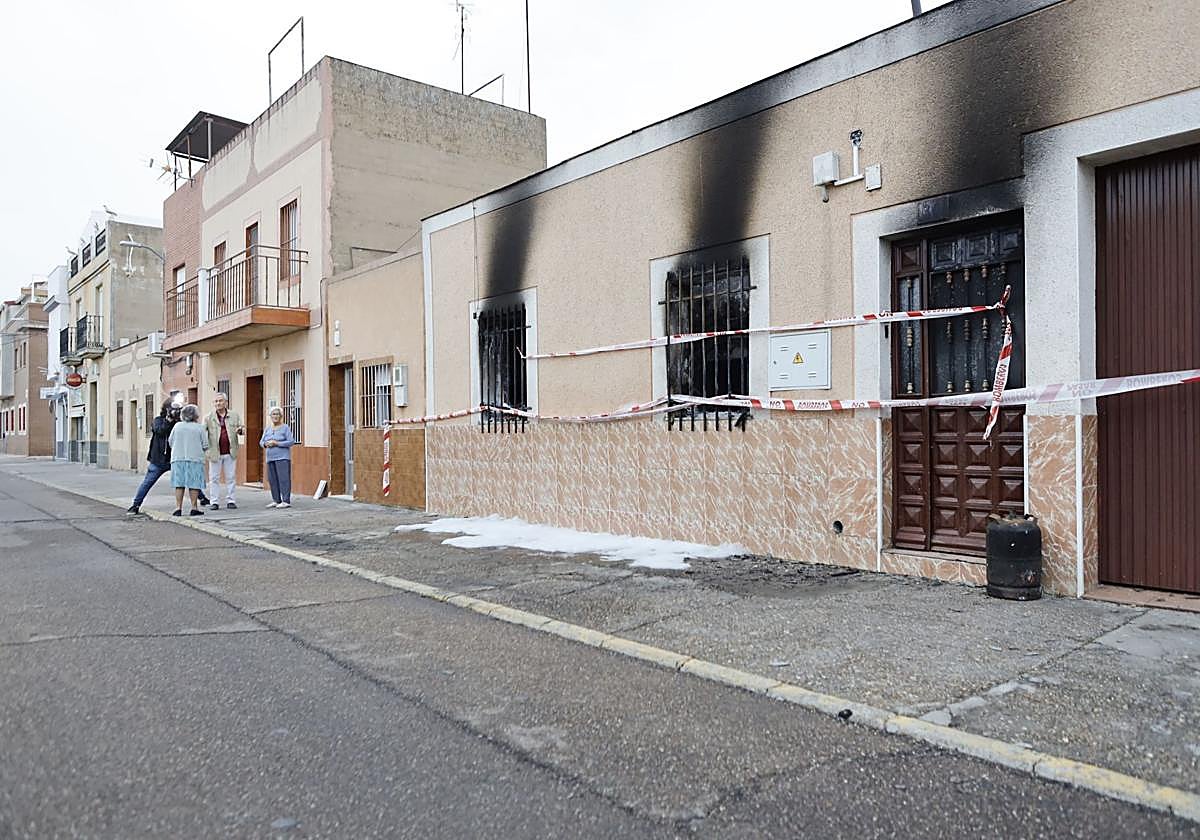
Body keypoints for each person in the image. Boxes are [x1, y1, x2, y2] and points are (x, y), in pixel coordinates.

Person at [204, 392, 243, 510]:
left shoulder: (234, 415)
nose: (218, 403)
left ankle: (231, 500)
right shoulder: (208, 417)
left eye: (220, 401)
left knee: (230, 477)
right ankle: (214, 502)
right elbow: (202, 432)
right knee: (214, 478)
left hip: (230, 451)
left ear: (226, 402)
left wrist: (240, 430)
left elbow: (242, 428)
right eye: (216, 401)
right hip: (215, 452)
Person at [168, 404, 208, 516]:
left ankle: (178, 508)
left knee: (179, 484)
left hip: (178, 458)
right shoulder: (199, 428)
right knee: (194, 484)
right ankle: (194, 507)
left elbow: (170, 441)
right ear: (196, 415)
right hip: (195, 459)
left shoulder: (177, 426)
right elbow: (205, 444)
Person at [260, 406, 295, 509]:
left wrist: (277, 443)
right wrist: (266, 444)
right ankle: (276, 500)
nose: (275, 416)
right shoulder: (268, 429)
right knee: (272, 479)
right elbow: (261, 442)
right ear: (270, 416)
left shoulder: (285, 428)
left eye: (277, 414)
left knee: (284, 479)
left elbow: (291, 441)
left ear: (281, 416)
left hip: (282, 458)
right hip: (270, 458)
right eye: (273, 414)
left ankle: (285, 500)